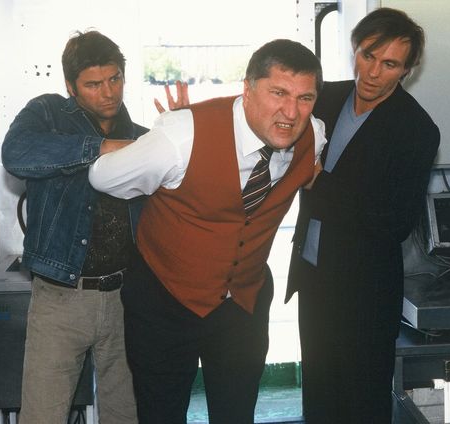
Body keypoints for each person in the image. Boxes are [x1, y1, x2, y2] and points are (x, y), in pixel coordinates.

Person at [87, 38, 326, 424]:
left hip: (242, 302)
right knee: (161, 415)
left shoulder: (313, 135)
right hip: (164, 300)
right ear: (247, 89)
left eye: (305, 98)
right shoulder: (181, 136)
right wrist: (156, 162)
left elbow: (309, 173)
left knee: (236, 414)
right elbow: (102, 177)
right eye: (278, 93)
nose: (290, 112)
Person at [1, 30, 182, 423]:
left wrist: (184, 133)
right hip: (61, 297)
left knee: (126, 414)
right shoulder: (48, 113)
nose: (108, 92)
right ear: (71, 87)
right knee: (42, 415)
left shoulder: (143, 138)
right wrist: (100, 147)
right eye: (93, 84)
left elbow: (183, 201)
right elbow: (15, 153)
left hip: (126, 298)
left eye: (114, 79)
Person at [284, 8, 440, 423]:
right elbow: (270, 127)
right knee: (318, 400)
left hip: (364, 296)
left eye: (389, 64)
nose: (372, 72)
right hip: (313, 279)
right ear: (354, 49)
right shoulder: (324, 99)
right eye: (368, 55)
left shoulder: (416, 130)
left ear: (407, 70)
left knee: (362, 407)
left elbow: (395, 222)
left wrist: (319, 182)